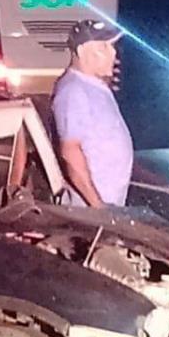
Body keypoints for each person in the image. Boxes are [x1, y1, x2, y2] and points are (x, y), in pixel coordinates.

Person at [51, 18, 132, 208]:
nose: (113, 53)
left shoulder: (92, 84)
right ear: (81, 51)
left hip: (109, 203)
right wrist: (97, 205)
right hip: (91, 211)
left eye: (112, 46)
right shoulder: (72, 91)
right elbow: (70, 152)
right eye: (104, 47)